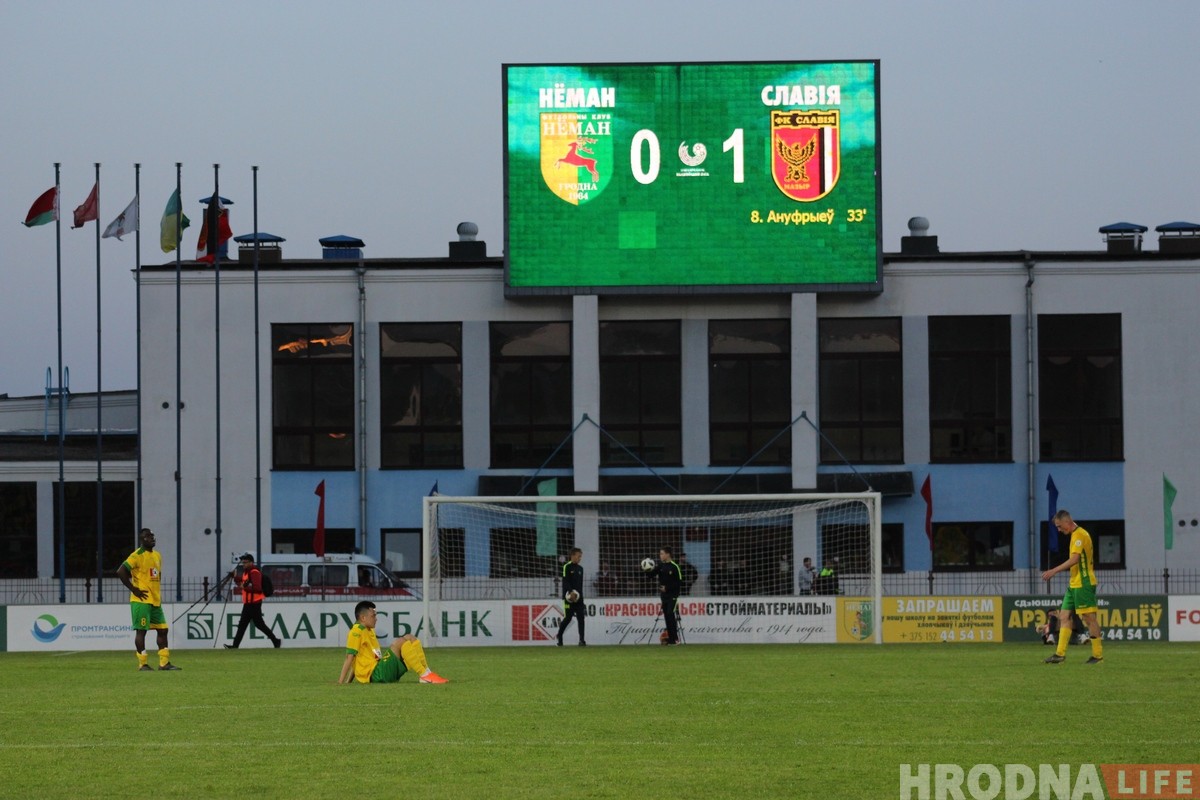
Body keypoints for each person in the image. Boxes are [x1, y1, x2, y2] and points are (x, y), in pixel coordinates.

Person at [1041, 510, 1104, 664]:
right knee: (1063, 616)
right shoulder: (1074, 535)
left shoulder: (1079, 535)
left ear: (1067, 522)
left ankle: (1097, 655)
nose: (1059, 530)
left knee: (1089, 619)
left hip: (1083, 583)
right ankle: (1059, 654)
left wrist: (1053, 570)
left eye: (1059, 526)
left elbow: (1074, 559)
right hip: (1074, 583)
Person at [116, 528, 181, 672]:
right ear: (141, 539)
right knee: (141, 632)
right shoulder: (136, 555)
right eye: (148, 536)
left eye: (152, 536)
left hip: (155, 601)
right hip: (141, 601)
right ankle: (142, 664)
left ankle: (164, 663)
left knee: (163, 630)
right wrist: (134, 589)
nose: (152, 538)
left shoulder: (157, 555)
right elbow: (121, 571)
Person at [337, 600, 448, 684]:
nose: (376, 618)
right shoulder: (356, 631)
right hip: (375, 674)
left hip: (380, 670)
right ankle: (424, 675)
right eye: (373, 616)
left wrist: (349, 682)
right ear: (363, 618)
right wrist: (341, 682)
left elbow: (356, 661)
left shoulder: (368, 630)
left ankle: (427, 673)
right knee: (400, 642)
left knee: (410, 638)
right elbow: (350, 658)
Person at [225, 552, 282, 649]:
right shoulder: (247, 572)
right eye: (243, 563)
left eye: (246, 562)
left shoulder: (254, 572)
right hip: (249, 603)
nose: (244, 564)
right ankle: (275, 641)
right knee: (248, 625)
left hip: (254, 603)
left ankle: (276, 641)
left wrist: (244, 588)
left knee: (254, 625)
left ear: (251, 562)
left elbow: (258, 588)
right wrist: (235, 577)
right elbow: (244, 582)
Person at [648, 547, 683, 645]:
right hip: (664, 595)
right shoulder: (660, 565)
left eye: (662, 553)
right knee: (667, 616)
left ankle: (676, 639)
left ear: (668, 554)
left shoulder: (675, 566)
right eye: (660, 554)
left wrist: (667, 588)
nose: (660, 555)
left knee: (670, 614)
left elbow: (679, 582)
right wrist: (646, 568)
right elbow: (651, 576)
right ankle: (671, 639)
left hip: (673, 595)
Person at [557, 547, 586, 646]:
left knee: (581, 618)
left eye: (580, 557)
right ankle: (559, 637)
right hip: (568, 598)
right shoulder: (567, 566)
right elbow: (565, 581)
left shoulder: (581, 569)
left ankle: (582, 640)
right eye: (578, 556)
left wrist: (580, 598)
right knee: (568, 618)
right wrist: (570, 592)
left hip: (579, 599)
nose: (580, 558)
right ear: (572, 556)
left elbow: (580, 585)